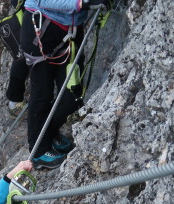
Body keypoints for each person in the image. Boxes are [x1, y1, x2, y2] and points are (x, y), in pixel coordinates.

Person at [20, 0, 110, 169]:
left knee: (72, 96)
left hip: (72, 33)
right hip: (40, 31)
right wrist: (81, 3)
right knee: (42, 93)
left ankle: (48, 133)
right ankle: (38, 151)